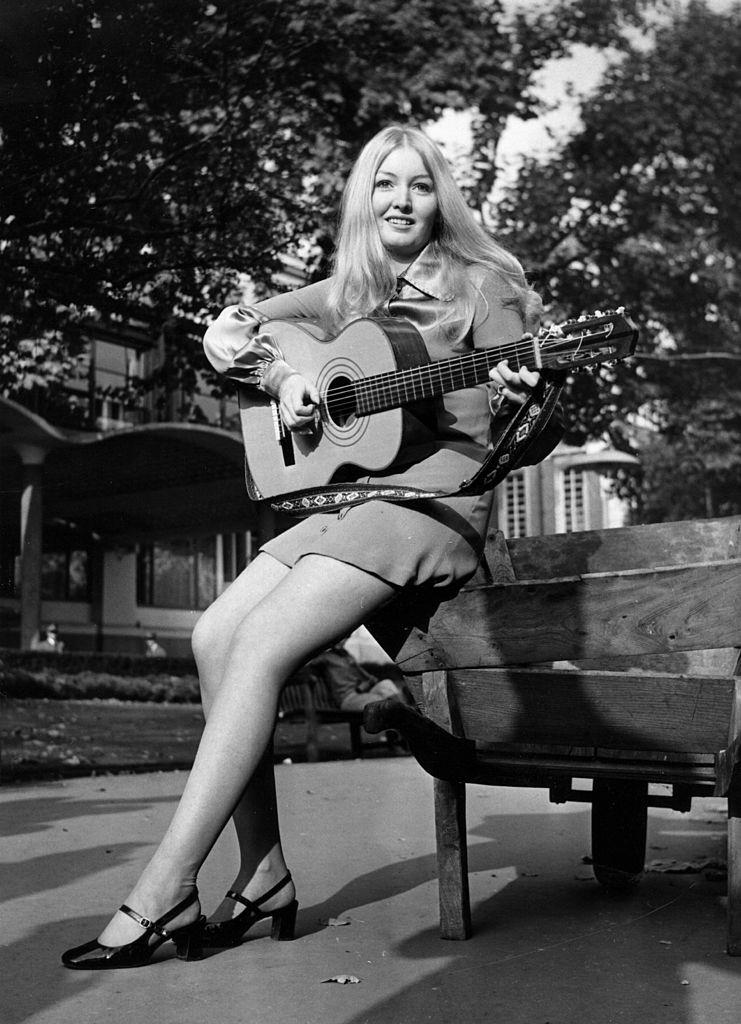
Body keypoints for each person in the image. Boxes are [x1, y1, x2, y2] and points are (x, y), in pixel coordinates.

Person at [61, 123, 562, 969]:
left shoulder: (485, 286)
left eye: (418, 185)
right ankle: (263, 877)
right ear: (361, 199)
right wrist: (282, 377)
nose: (400, 200)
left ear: (442, 197)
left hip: (437, 506)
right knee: (211, 634)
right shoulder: (350, 290)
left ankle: (164, 889)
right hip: (358, 501)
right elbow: (235, 330)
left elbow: (538, 433)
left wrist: (523, 396)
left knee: (257, 644)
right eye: (383, 184)